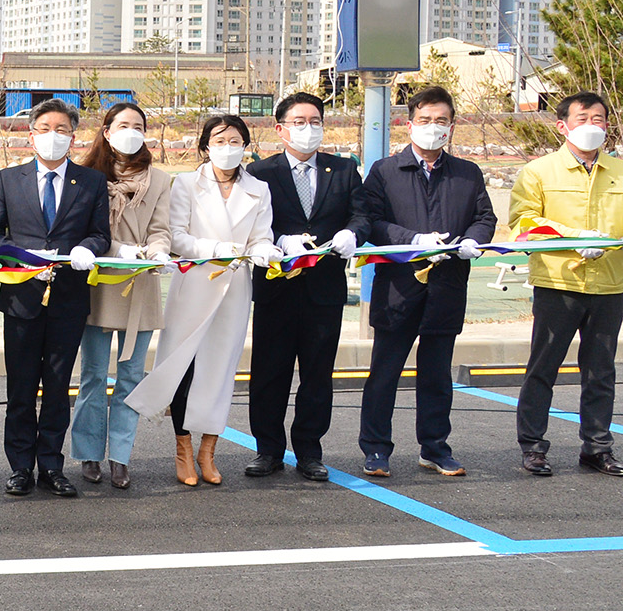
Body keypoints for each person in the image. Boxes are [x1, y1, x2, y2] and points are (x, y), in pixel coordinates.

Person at [125, 115, 281, 487]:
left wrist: (264, 250)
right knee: (184, 368)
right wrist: (213, 249)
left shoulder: (259, 188)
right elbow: (176, 235)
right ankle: (182, 449)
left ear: (246, 145)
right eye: (220, 140)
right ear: (206, 146)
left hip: (234, 289)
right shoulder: (186, 184)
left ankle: (208, 451)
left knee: (220, 370)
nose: (228, 147)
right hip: (194, 284)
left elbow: (261, 234)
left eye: (235, 140)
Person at [350, 86, 496, 478]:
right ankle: (376, 449)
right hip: (398, 287)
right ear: (409, 123)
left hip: (446, 287)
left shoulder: (468, 173)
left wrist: (473, 241)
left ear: (452, 125)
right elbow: (372, 221)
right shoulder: (385, 170)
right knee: (385, 373)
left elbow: (485, 218)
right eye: (426, 120)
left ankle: (435, 447)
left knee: (436, 374)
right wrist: (411, 240)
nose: (434, 128)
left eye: (442, 121)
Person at [0, 98, 111, 498]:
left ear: (72, 136)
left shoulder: (90, 182)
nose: (52, 136)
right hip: (22, 296)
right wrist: (17, 256)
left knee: (57, 386)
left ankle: (52, 465)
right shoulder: (8, 178)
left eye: (61, 129)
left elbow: (101, 234)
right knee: (20, 387)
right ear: (31, 134)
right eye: (44, 128)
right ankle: (20, 466)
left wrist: (88, 248)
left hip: (69, 297)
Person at [243, 92, 362, 481]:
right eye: (298, 121)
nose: (307, 128)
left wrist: (351, 233)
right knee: (269, 373)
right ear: (280, 129)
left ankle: (309, 451)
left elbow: (363, 215)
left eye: (314, 121)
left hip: (324, 289)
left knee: (316, 374)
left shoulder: (343, 170)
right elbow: (251, 222)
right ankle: (268, 450)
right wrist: (280, 240)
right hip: (277, 289)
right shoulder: (260, 173)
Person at [509, 91, 623, 477]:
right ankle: (534, 447)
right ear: (562, 126)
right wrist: (574, 237)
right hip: (558, 282)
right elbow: (524, 224)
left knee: (601, 371)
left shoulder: (620, 171)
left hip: (610, 284)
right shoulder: (539, 171)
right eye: (583, 118)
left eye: (600, 119)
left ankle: (597, 447)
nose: (593, 126)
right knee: (544, 366)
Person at [68, 102, 171, 491]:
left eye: (138, 125)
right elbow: (80, 230)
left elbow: (162, 227)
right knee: (93, 374)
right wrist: (118, 250)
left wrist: (158, 249)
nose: (131, 131)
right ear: (107, 131)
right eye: (123, 124)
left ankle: (121, 457)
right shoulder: (87, 176)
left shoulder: (160, 179)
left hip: (140, 286)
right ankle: (89, 452)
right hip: (98, 284)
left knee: (131, 376)